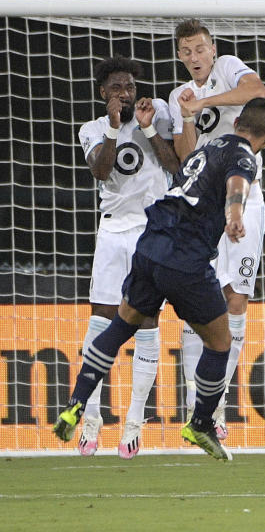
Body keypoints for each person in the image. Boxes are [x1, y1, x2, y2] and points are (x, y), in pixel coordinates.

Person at [54, 98, 265, 462]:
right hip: (185, 256)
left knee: (121, 325)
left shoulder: (207, 148)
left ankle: (75, 404)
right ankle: (201, 423)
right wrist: (235, 213)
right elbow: (238, 182)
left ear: (237, 121)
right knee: (221, 341)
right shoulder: (245, 156)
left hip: (151, 242)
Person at [168, 19, 265, 440]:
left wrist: (206, 103)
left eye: (200, 49)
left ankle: (218, 406)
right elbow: (186, 155)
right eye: (186, 52)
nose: (195, 58)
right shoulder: (178, 96)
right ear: (179, 56)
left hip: (247, 198)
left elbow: (257, 92)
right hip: (204, 209)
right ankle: (202, 407)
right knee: (201, 302)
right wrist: (188, 114)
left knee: (238, 299)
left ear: (213, 49)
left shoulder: (228, 67)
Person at [76, 56, 180, 459]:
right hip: (113, 232)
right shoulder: (93, 130)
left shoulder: (155, 117)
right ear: (104, 93)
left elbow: (175, 167)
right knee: (102, 322)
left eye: (130, 87)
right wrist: (118, 128)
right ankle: (91, 418)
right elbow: (102, 172)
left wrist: (149, 126)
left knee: (148, 321)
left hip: (150, 231)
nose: (125, 93)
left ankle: (135, 421)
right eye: (117, 87)